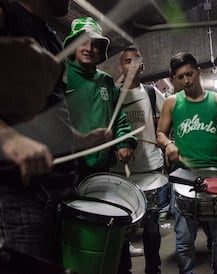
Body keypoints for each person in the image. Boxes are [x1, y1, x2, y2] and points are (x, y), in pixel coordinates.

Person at [0, 0, 110, 269]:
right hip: (23, 195)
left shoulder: (48, 36)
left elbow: (51, 112)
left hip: (58, 191)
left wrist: (83, 139)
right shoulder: (6, 15)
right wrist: (9, 138)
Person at [156, 52, 217, 274]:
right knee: (185, 239)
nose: (186, 81)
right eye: (180, 77)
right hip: (185, 177)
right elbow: (160, 133)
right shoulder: (171, 103)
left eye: (189, 74)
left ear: (198, 71)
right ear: (174, 79)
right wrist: (168, 144)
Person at [62, 17, 137, 274]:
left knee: (114, 229)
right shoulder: (60, 76)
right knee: (80, 237)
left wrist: (125, 141)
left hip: (103, 169)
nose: (88, 48)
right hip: (71, 172)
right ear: (72, 45)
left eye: (95, 44)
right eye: (83, 42)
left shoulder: (106, 82)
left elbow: (121, 119)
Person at [111, 45, 167, 274]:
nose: (131, 65)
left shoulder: (153, 93)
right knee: (122, 228)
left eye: (136, 61)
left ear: (143, 66)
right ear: (120, 66)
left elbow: (167, 120)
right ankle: (125, 270)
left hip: (151, 168)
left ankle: (153, 269)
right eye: (126, 61)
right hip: (119, 172)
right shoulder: (113, 94)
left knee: (152, 229)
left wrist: (167, 141)